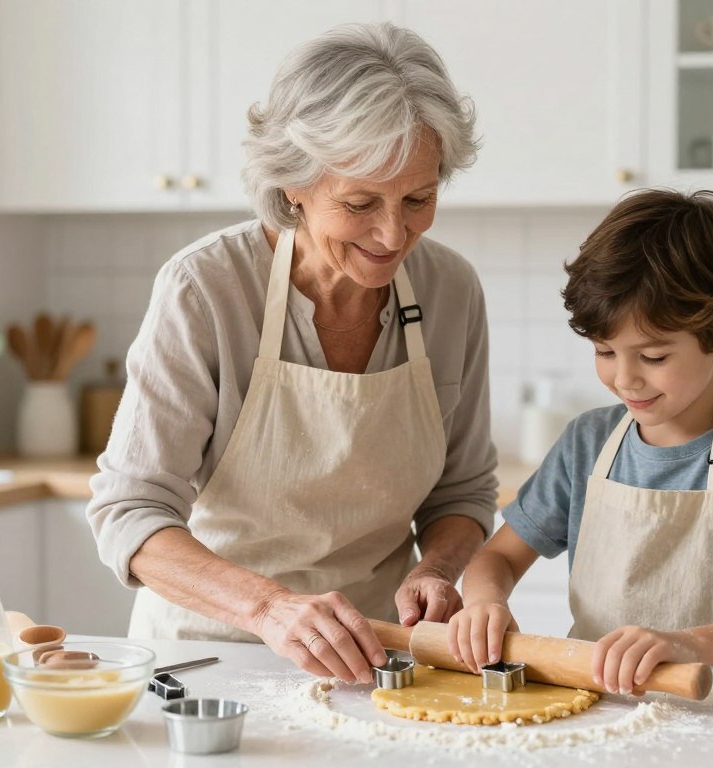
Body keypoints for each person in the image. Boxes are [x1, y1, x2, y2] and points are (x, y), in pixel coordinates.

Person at [86, 22, 497, 684]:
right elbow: (129, 511)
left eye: (418, 199)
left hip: (377, 662)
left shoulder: (452, 290)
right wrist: (270, 608)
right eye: (360, 202)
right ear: (292, 187)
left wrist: (438, 568)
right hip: (210, 658)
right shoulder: (206, 289)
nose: (394, 234)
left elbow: (464, 490)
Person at [448, 189, 713, 695]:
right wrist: (486, 603)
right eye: (604, 351)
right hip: (593, 709)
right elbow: (495, 558)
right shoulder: (587, 443)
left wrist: (688, 645)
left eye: (653, 357)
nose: (625, 378)